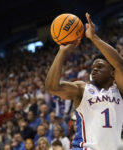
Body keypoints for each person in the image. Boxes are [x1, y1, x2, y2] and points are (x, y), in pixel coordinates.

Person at [45, 12, 123, 150]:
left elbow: (119, 64)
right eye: (93, 67)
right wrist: (61, 52)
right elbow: (52, 87)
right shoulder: (82, 89)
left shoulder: (120, 91)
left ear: (112, 72)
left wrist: (93, 37)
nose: (94, 70)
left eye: (100, 66)